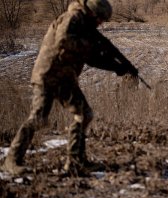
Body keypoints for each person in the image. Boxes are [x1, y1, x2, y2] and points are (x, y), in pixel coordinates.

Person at [0, 0, 140, 176]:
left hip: (65, 78)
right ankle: (11, 160)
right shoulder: (72, 18)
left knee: (84, 114)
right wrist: (92, 44)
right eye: (99, 19)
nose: (100, 23)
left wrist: (118, 67)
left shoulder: (84, 25)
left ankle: (76, 162)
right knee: (38, 118)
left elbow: (91, 58)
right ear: (91, 12)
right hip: (48, 75)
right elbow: (64, 41)